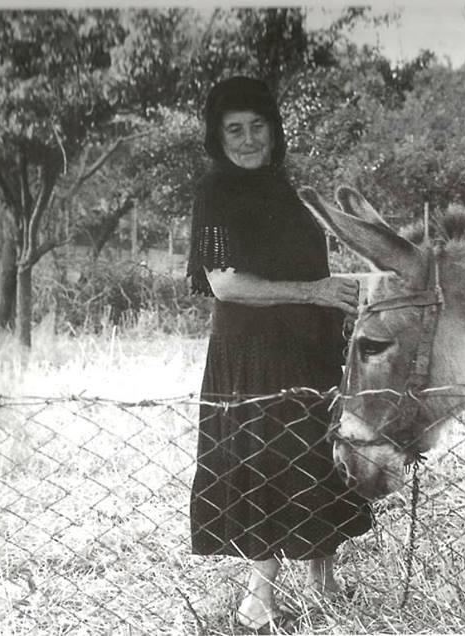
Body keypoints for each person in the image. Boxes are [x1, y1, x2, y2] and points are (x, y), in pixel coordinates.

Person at [186, 76, 372, 633]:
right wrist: (316, 293)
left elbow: (305, 269)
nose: (248, 140)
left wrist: (337, 298)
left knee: (320, 460)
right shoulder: (215, 192)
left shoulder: (282, 187)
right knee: (269, 467)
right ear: (218, 137)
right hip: (254, 357)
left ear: (274, 130)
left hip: (309, 348)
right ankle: (257, 603)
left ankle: (323, 583)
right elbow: (225, 284)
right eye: (234, 130)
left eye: (257, 126)